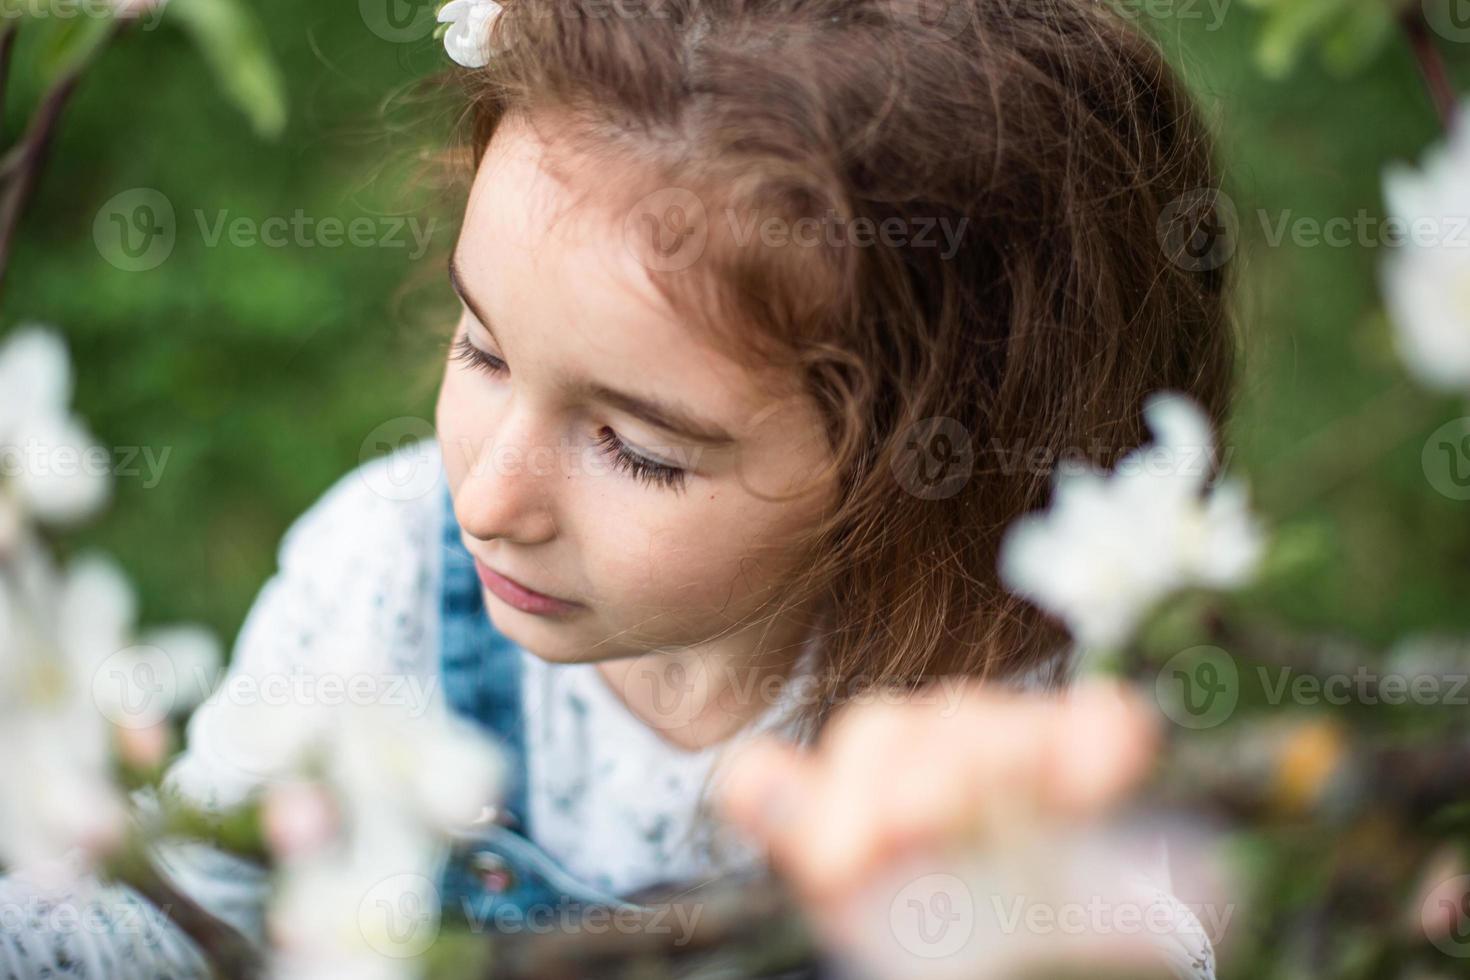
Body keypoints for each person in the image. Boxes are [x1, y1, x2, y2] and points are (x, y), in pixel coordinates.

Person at [0, 1, 1231, 975]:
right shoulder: (382, 581)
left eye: (638, 448)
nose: (486, 498)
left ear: (932, 471)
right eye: (481, 348)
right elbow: (174, 921)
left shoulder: (1010, 735)